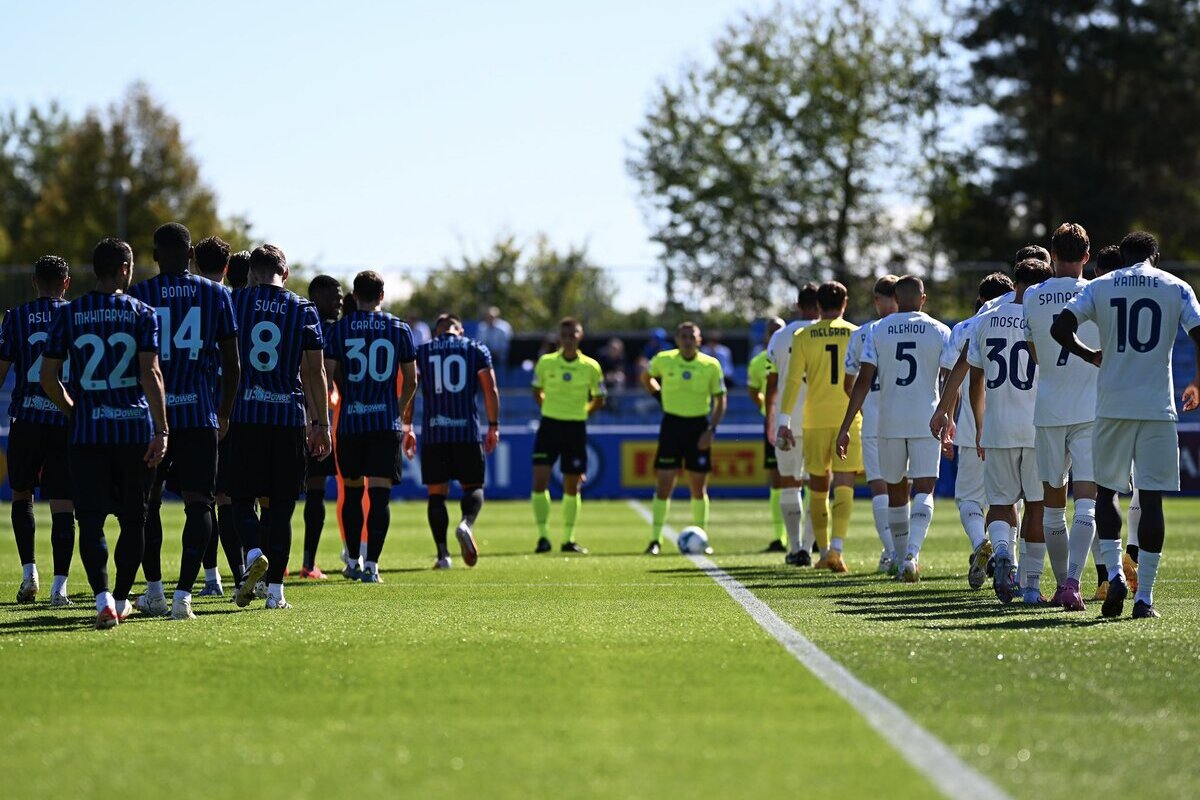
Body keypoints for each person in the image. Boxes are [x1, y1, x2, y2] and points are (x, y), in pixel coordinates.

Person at [1052, 231, 1200, 619]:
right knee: (1151, 499)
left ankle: (1114, 574)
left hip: (1112, 404)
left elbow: (1059, 328)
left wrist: (1090, 356)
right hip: (1156, 405)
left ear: (1124, 254)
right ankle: (1145, 598)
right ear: (1155, 255)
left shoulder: (1101, 285)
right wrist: (1197, 382)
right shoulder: (1176, 286)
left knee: (1106, 495)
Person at [40, 237, 169, 630]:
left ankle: (102, 601)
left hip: (88, 434)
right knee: (135, 520)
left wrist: (75, 411)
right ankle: (122, 597)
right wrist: (162, 429)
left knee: (91, 522)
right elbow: (151, 373)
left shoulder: (69, 313)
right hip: (133, 430)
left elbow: (48, 378)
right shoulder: (143, 313)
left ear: (95, 270)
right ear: (125, 269)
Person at [128, 223, 240, 620]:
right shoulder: (216, 294)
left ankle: (154, 591)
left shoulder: (138, 296)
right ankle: (184, 598)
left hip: (153, 420)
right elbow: (232, 363)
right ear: (192, 255)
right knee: (200, 505)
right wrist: (224, 412)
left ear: (156, 256)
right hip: (199, 416)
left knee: (146, 507)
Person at [229, 245, 331, 610]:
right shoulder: (303, 309)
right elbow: (315, 371)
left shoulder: (234, 302)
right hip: (288, 417)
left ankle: (253, 550)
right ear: (285, 273)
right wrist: (321, 423)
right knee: (282, 508)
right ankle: (276, 594)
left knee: (240, 498)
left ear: (253, 272)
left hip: (244, 415)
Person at [839, 276, 950, 582]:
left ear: (897, 299)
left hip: (887, 421)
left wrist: (846, 425)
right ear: (923, 298)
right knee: (925, 488)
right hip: (926, 418)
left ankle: (900, 559)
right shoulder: (940, 329)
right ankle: (913, 554)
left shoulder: (877, 330)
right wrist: (948, 416)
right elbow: (951, 377)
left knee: (896, 490)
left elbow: (862, 381)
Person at [1022, 223, 1105, 609]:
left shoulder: (1034, 295)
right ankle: (1074, 581)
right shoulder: (1097, 292)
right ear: (1086, 257)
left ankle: (1061, 586)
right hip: (1090, 409)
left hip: (1049, 408)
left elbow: (1036, 351)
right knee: (1087, 501)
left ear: (1052, 256)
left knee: (1054, 505)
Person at [967, 258, 1054, 604]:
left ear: (1016, 282)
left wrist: (979, 424)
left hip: (998, 425)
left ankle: (1002, 549)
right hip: (1037, 425)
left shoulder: (985, 318)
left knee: (1001, 504)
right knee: (1037, 506)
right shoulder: (1045, 318)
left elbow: (975, 378)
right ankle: (1031, 588)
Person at [324, 271, 417, 582]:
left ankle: (352, 560)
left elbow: (329, 374)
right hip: (384, 423)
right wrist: (399, 411)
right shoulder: (399, 328)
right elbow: (412, 380)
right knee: (379, 497)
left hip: (350, 422)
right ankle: (373, 566)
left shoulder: (339, 329)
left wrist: (347, 391)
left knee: (351, 495)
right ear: (382, 295)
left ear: (354, 294)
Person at [0, 255, 76, 605]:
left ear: (34, 282)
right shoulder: (78, 315)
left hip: (26, 421)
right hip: (64, 421)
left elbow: (1, 372)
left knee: (22, 495)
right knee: (63, 505)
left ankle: (30, 573)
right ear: (67, 282)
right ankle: (59, 588)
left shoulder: (15, 318)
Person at [776, 281, 860, 573]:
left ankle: (823, 552)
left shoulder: (803, 335)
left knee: (818, 488)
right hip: (848, 419)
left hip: (814, 420)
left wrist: (784, 421)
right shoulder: (855, 333)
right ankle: (837, 548)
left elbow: (791, 381)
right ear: (844, 303)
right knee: (845, 485)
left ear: (818, 305)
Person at [940, 272, 1015, 589]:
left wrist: (948, 417)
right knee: (1011, 502)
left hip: (973, 428)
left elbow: (949, 377)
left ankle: (979, 543)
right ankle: (1009, 560)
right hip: (1014, 425)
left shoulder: (964, 328)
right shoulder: (1024, 320)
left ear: (981, 299)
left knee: (969, 500)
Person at [408, 314, 498, 568]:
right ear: (459, 329)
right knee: (474, 486)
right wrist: (494, 426)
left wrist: (407, 426)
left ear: (437, 332)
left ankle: (442, 555)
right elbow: (490, 389)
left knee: (436, 495)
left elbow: (410, 388)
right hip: (466, 432)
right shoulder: (476, 348)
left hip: (435, 432)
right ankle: (465, 524)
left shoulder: (422, 351)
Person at [640, 321, 727, 554]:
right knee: (664, 485)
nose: (688, 340)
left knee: (698, 488)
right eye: (683, 336)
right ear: (677, 340)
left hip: (699, 427)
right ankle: (655, 540)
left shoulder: (711, 365)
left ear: (699, 340)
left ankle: (702, 538)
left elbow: (721, 400)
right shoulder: (663, 359)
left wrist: (711, 430)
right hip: (672, 425)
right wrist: (660, 397)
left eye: (692, 336)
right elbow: (646, 377)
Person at [193, 236, 244, 596]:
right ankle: (241, 573)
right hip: (239, 410)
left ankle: (211, 579)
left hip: (194, 409)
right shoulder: (237, 301)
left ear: (195, 262)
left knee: (203, 500)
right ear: (227, 268)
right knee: (231, 498)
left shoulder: (188, 299)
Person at [530, 317, 606, 554]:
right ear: (559, 337)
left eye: (573, 334)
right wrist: (548, 408)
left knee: (572, 485)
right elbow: (536, 390)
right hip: (550, 425)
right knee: (540, 480)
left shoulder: (591, 366)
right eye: (564, 335)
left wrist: (583, 411)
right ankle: (543, 537)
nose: (569, 339)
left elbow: (600, 397)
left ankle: (568, 539)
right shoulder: (546, 363)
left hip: (575, 427)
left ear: (580, 335)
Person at [843, 275, 899, 572]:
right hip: (909, 417)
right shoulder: (923, 328)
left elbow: (848, 385)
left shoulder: (864, 333)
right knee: (904, 489)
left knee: (880, 489)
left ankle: (892, 552)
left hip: (874, 418)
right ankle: (907, 550)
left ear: (878, 300)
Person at [765, 284, 821, 565]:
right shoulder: (832, 331)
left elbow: (771, 382)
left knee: (790, 483)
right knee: (817, 485)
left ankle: (794, 547)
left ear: (798, 305)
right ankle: (809, 549)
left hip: (788, 419)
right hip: (822, 419)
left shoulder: (780, 335)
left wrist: (770, 419)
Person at [301, 274, 344, 579]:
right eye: (334, 297)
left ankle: (298, 563)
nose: (339, 302)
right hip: (314, 418)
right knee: (314, 492)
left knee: (281, 495)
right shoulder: (328, 332)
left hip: (293, 416)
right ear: (317, 297)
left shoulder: (296, 320)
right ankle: (307, 563)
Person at [747, 317, 785, 552]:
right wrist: (767, 408)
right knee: (777, 481)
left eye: (778, 330)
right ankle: (780, 536)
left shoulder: (795, 354)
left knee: (808, 479)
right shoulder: (757, 362)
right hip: (772, 424)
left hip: (799, 422)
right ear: (765, 336)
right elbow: (753, 390)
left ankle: (810, 538)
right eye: (771, 331)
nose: (774, 335)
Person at [476, 306, 512, 376]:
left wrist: (497, 352)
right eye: (488, 317)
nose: (490, 319)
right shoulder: (482, 327)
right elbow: (480, 343)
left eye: (492, 317)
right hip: (486, 356)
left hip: (501, 357)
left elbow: (507, 344)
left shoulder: (504, 327)